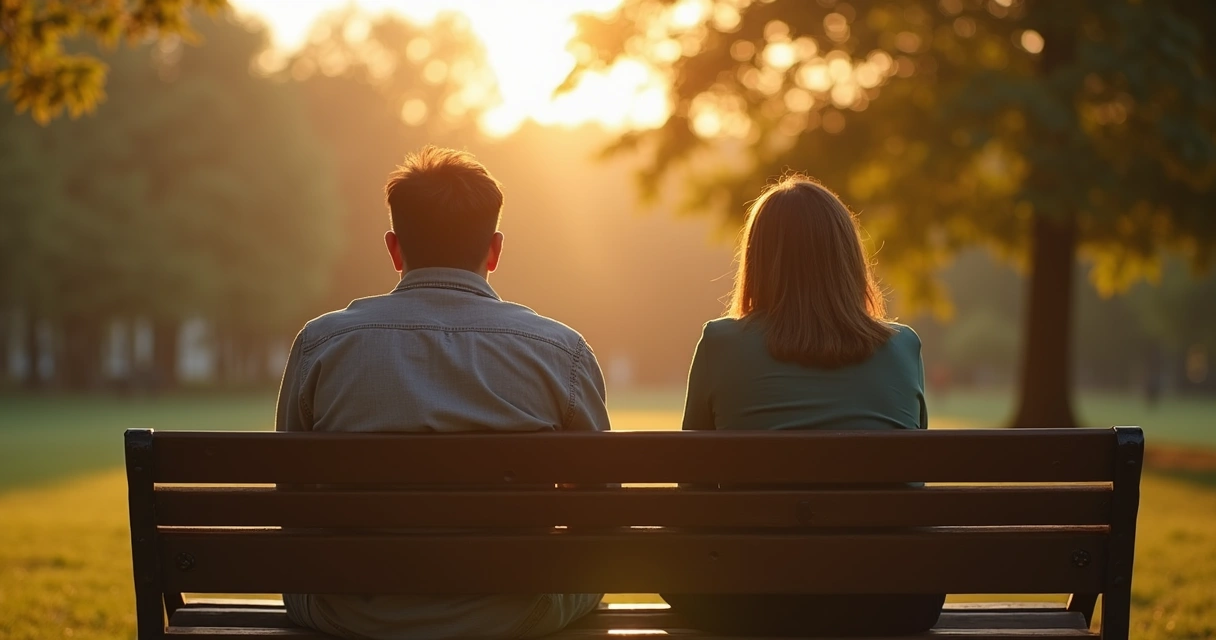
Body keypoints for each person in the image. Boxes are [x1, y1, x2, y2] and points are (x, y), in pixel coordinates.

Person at [275, 146, 610, 640]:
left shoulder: (322, 345)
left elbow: (291, 494)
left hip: (350, 610)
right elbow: (602, 505)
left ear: (394, 248)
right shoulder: (560, 351)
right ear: (494, 250)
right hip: (517, 611)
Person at [663, 175, 945, 636]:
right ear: (847, 259)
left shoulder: (721, 342)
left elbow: (691, 489)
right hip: (895, 601)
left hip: (751, 603)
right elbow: (913, 479)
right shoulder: (903, 347)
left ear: (758, 260)